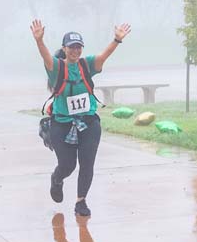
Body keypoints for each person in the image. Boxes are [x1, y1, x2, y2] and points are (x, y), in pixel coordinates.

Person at [30, 19, 131, 217]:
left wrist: (116, 40)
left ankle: (80, 201)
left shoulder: (87, 64)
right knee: (68, 165)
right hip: (62, 124)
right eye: (71, 47)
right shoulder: (57, 68)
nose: (75, 51)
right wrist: (39, 41)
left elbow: (104, 56)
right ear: (64, 49)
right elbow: (45, 58)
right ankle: (57, 179)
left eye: (78, 47)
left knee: (87, 163)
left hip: (89, 123)